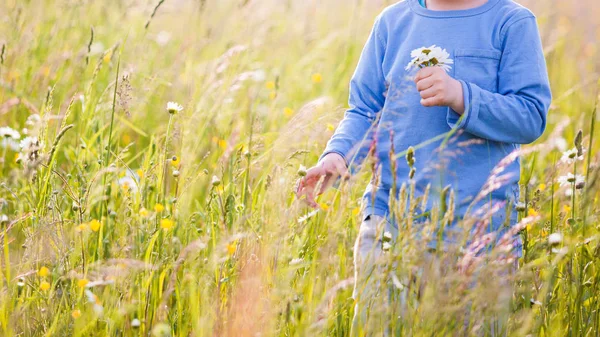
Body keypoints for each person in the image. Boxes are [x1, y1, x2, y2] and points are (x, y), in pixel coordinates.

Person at [295, 0, 551, 335]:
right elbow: (365, 109)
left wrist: (462, 95)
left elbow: (531, 115)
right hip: (390, 218)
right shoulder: (393, 22)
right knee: (379, 325)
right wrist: (339, 155)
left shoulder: (510, 22)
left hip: (477, 228)